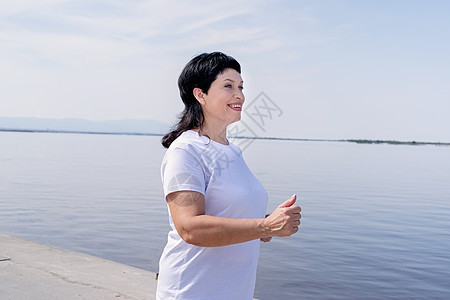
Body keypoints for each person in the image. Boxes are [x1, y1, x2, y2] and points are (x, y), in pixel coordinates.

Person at [157, 52, 301, 299]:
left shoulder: (231, 150)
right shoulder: (186, 150)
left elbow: (228, 211)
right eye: (228, 86)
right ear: (200, 94)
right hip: (193, 290)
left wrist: (264, 226)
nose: (240, 95)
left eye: (241, 87)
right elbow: (189, 228)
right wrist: (264, 225)